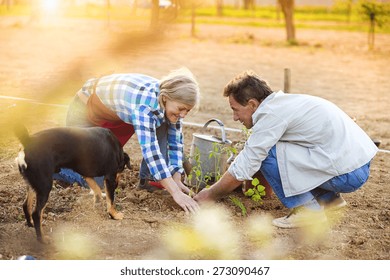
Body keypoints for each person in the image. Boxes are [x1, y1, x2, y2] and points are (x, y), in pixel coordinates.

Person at [194, 70, 378, 228]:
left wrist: (210, 194)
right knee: (276, 149)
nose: (234, 118)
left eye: (235, 109)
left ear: (252, 104)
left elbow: (247, 164)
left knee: (267, 154)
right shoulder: (283, 104)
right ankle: (329, 200)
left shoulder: (271, 115)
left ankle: (307, 211)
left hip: (348, 174)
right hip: (356, 165)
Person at [56, 68, 200, 214]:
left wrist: (176, 178)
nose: (183, 115)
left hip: (113, 116)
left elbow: (175, 142)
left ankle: (150, 180)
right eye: (181, 108)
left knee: (166, 120)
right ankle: (54, 165)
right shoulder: (145, 106)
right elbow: (150, 150)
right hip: (84, 113)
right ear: (165, 97)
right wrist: (175, 192)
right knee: (97, 178)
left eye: (187, 110)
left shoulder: (167, 102)